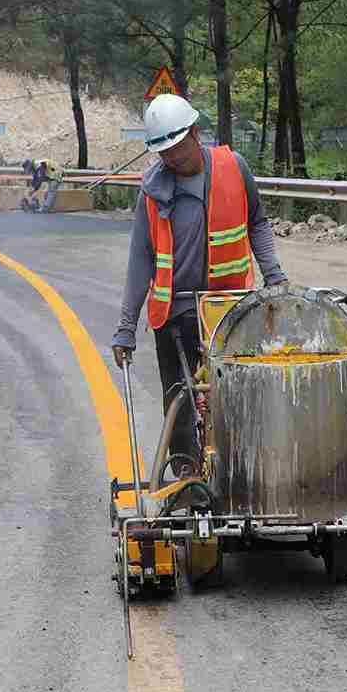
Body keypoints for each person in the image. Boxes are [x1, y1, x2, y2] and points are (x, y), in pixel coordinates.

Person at [110, 94, 287, 461]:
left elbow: (258, 222)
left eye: (177, 147)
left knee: (239, 395)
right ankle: (187, 479)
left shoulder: (233, 167)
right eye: (163, 152)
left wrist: (275, 277)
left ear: (194, 133)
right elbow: (140, 258)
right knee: (179, 398)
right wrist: (126, 326)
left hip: (230, 308)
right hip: (176, 313)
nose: (172, 158)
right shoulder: (152, 190)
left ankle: (243, 471)